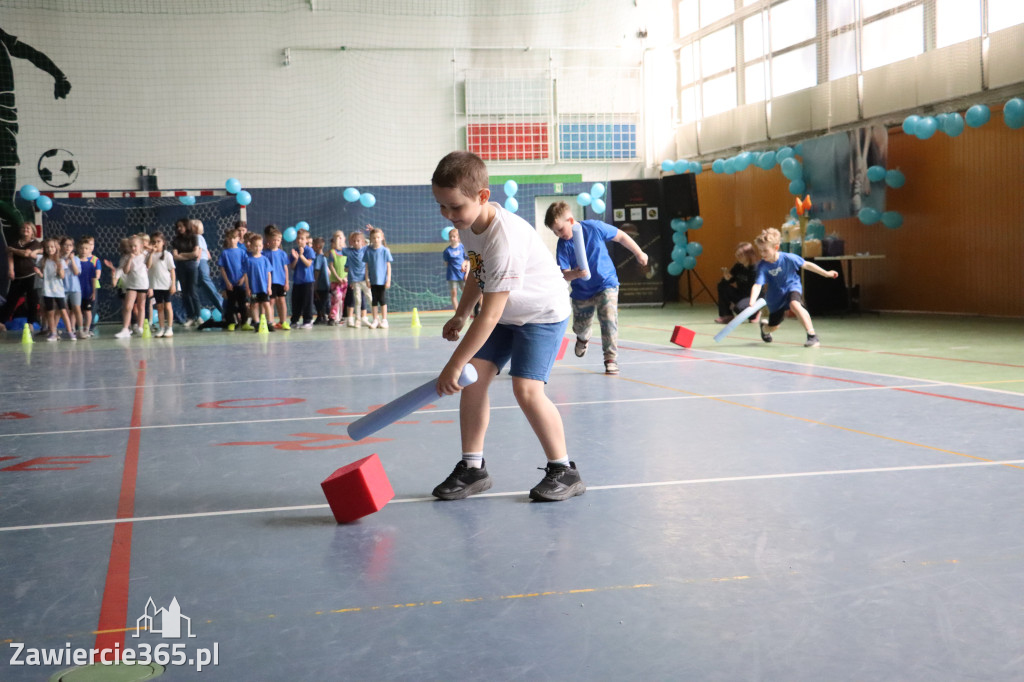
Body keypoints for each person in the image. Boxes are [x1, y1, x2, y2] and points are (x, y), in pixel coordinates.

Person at [430, 150, 584, 503]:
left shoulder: (505, 236)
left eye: (454, 207)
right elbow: (478, 274)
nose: (449, 215)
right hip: (509, 313)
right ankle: (473, 468)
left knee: (526, 389)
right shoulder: (470, 226)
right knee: (474, 377)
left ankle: (564, 470)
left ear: (482, 197)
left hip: (542, 314)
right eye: (442, 206)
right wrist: (460, 312)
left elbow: (491, 314)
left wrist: (454, 362)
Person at [544, 201, 648, 375]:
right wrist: (576, 274)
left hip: (606, 283)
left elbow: (621, 236)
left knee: (609, 318)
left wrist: (639, 253)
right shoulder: (562, 244)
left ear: (570, 220)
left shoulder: (594, 228)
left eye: (560, 229)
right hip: (582, 292)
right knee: (580, 327)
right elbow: (564, 274)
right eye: (554, 232)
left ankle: (610, 359)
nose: (558, 234)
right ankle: (583, 338)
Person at [749, 227, 839, 348]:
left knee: (795, 304)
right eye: (760, 251)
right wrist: (752, 301)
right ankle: (765, 328)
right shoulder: (762, 266)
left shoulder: (788, 258)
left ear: (776, 247)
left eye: (765, 250)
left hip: (792, 287)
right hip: (775, 298)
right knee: (773, 326)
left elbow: (807, 264)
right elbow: (758, 284)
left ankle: (812, 336)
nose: (762, 254)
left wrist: (826, 273)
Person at [0, 221, 41, 330]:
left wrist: (12, 250)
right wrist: (11, 270)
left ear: (32, 231)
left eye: (28, 228)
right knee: (11, 300)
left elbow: (26, 253)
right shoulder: (15, 243)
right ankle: (2, 322)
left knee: (32, 300)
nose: (25, 230)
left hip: (31, 275)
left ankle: (31, 322)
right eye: (23, 228)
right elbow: (10, 256)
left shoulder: (35, 243)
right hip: (18, 277)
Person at [36, 237, 74, 341]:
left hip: (58, 291)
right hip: (47, 291)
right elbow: (43, 276)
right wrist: (39, 273)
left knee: (63, 311)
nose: (50, 249)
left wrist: (59, 269)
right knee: (50, 312)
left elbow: (62, 276)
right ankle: (53, 333)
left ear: (56, 248)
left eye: (52, 247)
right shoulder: (43, 261)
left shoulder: (60, 261)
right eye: (47, 247)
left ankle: (70, 331)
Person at [114, 236, 150, 339]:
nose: (133, 248)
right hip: (131, 285)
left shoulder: (145, 255)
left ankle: (140, 327)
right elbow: (125, 271)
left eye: (135, 246)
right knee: (128, 306)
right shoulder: (126, 257)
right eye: (131, 246)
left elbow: (150, 265)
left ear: (140, 246)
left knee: (141, 306)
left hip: (143, 284)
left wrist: (147, 248)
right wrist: (130, 259)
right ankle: (125, 329)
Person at [715, 241, 759, 324]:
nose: (738, 257)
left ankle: (755, 313)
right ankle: (727, 315)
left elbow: (756, 288)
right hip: (741, 294)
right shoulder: (738, 266)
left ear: (748, 255)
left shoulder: (755, 268)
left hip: (753, 297)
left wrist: (752, 302)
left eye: (741, 255)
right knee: (722, 285)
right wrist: (726, 278)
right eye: (737, 255)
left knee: (738, 309)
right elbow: (730, 280)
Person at [189, 219, 224, 315]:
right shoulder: (197, 238)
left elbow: (199, 251)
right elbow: (208, 254)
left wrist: (197, 262)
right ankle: (194, 314)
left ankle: (224, 307)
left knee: (206, 281)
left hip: (200, 262)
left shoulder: (197, 237)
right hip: (201, 262)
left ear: (195, 228)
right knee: (203, 289)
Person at [241, 233, 274, 332]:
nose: (258, 248)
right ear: (250, 246)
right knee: (254, 305)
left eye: (260, 245)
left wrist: (269, 287)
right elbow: (246, 275)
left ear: (262, 246)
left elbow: (269, 274)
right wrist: (247, 288)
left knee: (266, 304)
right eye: (255, 245)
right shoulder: (248, 260)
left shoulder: (265, 259)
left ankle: (270, 322)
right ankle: (256, 323)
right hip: (253, 288)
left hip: (263, 287)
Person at [171, 218, 201, 326]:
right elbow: (175, 256)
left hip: (192, 266)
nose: (179, 229)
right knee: (185, 292)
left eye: (181, 226)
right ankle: (190, 316)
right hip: (181, 267)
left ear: (186, 226)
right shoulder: (176, 240)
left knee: (193, 291)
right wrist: (187, 255)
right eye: (178, 227)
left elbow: (196, 254)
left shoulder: (194, 238)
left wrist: (182, 255)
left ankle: (198, 316)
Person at [217, 228, 247, 331]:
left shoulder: (242, 252)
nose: (232, 240)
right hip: (230, 285)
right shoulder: (225, 253)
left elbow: (246, 267)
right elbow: (222, 269)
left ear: (238, 238)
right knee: (230, 305)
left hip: (241, 284)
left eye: (234, 238)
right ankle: (231, 322)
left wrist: (243, 279)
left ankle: (244, 323)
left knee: (242, 304)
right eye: (229, 238)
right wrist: (227, 282)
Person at [363, 226, 393, 329]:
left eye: (378, 237)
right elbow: (366, 267)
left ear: (382, 238)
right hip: (373, 281)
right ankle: (375, 319)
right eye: (374, 238)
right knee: (374, 300)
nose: (376, 240)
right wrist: (367, 279)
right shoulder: (368, 251)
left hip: (382, 281)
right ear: (371, 239)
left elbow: (388, 266)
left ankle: (384, 320)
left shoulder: (385, 251)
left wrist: (388, 279)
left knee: (382, 299)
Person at [147, 231, 176, 337]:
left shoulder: (167, 255)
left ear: (163, 242)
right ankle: (162, 328)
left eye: (158, 241)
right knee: (159, 307)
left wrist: (173, 284)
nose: (156, 244)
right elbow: (148, 266)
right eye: (154, 242)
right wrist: (151, 253)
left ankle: (170, 328)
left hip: (166, 285)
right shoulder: (150, 255)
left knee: (168, 306)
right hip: (156, 285)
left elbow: (172, 270)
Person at [263, 225, 290, 329]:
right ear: (269, 240)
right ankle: (271, 321)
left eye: (278, 240)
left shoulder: (282, 254)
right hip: (270, 282)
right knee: (271, 301)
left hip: (281, 281)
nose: (276, 242)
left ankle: (283, 321)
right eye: (274, 240)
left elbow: (286, 269)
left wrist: (286, 282)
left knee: (282, 301)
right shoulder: (264, 253)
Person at [289, 228, 316, 329]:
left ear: (306, 240)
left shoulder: (309, 250)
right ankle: (294, 321)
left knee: (307, 302)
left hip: (307, 281)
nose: (300, 240)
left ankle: (307, 321)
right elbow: (292, 266)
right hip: (297, 281)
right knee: (296, 302)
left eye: (302, 239)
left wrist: (301, 255)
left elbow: (308, 264)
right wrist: (296, 258)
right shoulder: (294, 251)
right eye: (298, 239)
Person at [342, 229, 369, 327]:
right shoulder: (349, 252)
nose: (356, 242)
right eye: (354, 241)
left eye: (358, 240)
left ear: (362, 241)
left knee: (366, 298)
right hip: (354, 281)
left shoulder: (365, 250)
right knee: (354, 300)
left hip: (364, 280)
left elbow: (373, 244)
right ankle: (352, 319)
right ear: (351, 242)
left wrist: (372, 231)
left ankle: (367, 318)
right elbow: (346, 268)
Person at [76, 235, 100, 337]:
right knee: (77, 310)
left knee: (88, 310)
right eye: (82, 248)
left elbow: (95, 277)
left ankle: (88, 329)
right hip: (76, 290)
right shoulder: (75, 260)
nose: (84, 250)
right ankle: (76, 329)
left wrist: (93, 291)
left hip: (88, 290)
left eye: (88, 247)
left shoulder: (93, 261)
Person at [59, 236, 81, 339]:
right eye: (66, 245)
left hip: (75, 288)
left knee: (76, 308)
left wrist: (71, 259)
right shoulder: (59, 259)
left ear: (73, 247)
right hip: (62, 288)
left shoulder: (76, 258)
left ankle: (79, 329)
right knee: (63, 309)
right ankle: (67, 328)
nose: (68, 247)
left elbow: (76, 272)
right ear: (61, 246)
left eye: (70, 245)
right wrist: (66, 262)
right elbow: (60, 272)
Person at [442, 227, 468, 310]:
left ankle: (467, 311)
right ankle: (457, 311)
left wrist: (466, 272)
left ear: (458, 238)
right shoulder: (447, 251)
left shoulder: (462, 248)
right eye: (450, 237)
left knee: (466, 294)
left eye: (454, 236)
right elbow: (446, 263)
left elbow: (467, 261)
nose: (452, 238)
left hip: (462, 275)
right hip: (452, 276)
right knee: (454, 293)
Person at [326, 230, 347, 325]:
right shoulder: (332, 252)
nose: (339, 239)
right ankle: (332, 317)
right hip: (335, 281)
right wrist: (338, 278)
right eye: (336, 238)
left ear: (344, 239)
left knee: (342, 300)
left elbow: (349, 266)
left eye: (340, 237)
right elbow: (331, 266)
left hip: (345, 281)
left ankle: (340, 317)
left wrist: (346, 277)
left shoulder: (347, 252)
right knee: (336, 297)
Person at [311, 236, 331, 325]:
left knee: (319, 302)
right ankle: (323, 316)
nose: (312, 247)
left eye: (313, 245)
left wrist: (314, 284)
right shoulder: (324, 257)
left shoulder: (319, 257)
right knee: (323, 301)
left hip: (320, 285)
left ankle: (321, 317)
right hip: (326, 284)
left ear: (318, 246)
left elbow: (317, 271)